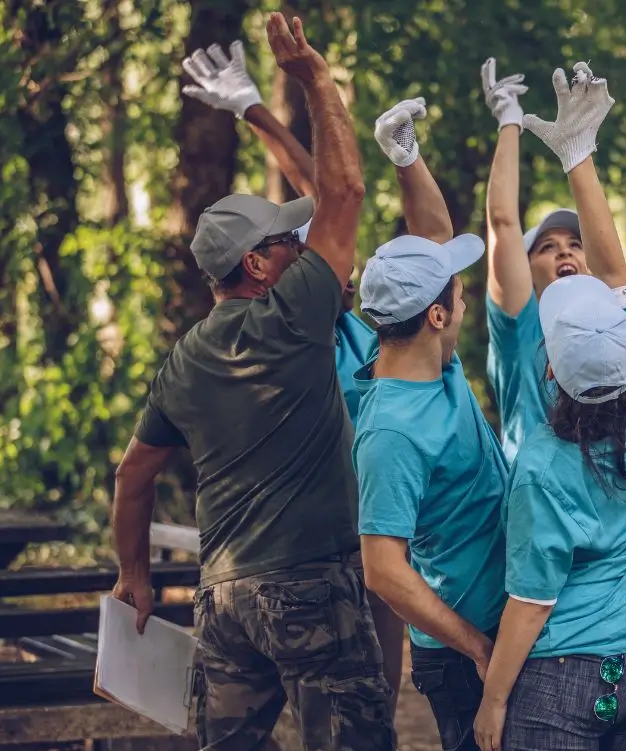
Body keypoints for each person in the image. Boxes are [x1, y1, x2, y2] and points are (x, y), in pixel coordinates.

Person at [111, 16, 395, 751]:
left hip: (226, 594)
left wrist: (133, 572)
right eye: (282, 241)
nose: (299, 247)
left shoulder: (185, 359)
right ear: (257, 265)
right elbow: (342, 190)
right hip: (309, 587)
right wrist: (314, 80)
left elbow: (134, 474)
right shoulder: (295, 314)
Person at [177, 43, 450, 700]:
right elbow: (327, 196)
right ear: (264, 270)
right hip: (315, 553)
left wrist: (254, 110)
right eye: (291, 249)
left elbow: (318, 193)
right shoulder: (292, 330)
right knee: (322, 720)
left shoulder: (350, 326)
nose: (322, 252)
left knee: (372, 709)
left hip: (374, 535)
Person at [472, 62, 626, 751]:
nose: (566, 253)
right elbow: (516, 232)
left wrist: (494, 695)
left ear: (553, 373)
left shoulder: (542, 466)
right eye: (547, 248)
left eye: (574, 247)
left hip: (561, 660)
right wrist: (574, 154)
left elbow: (532, 600)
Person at [351, 176, 508, 751]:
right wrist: (477, 646)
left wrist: (407, 159)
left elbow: (435, 237)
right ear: (437, 315)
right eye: (461, 298)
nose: (466, 308)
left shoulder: (431, 357)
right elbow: (383, 570)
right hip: (464, 647)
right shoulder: (392, 432)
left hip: (501, 624)